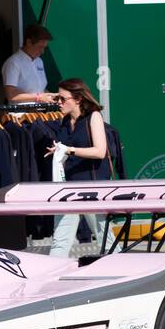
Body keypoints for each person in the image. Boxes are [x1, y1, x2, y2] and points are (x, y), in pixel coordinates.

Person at [45, 78, 111, 258]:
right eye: (57, 98)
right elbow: (67, 151)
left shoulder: (94, 116)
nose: (58, 102)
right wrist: (59, 152)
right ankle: (49, 280)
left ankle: (124, 273)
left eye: (62, 98)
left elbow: (100, 151)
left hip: (91, 188)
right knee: (60, 241)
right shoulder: (65, 122)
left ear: (78, 99)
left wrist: (70, 150)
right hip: (69, 189)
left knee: (105, 239)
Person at [3, 24, 58, 104]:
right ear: (28, 42)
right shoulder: (13, 62)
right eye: (40, 47)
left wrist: (50, 95)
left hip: (40, 113)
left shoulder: (39, 61)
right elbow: (11, 94)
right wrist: (39, 97)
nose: (42, 51)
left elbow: (39, 90)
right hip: (21, 115)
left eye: (44, 47)